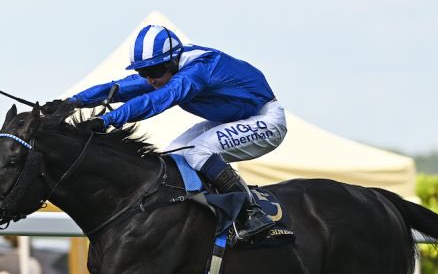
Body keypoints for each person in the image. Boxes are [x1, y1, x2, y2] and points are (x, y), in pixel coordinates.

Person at [42, 24, 288, 240]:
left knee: (199, 151)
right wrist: (72, 102)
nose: (150, 79)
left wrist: (107, 120)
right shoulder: (168, 66)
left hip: (267, 120)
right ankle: (207, 211)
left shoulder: (198, 69)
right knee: (173, 156)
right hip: (236, 119)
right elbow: (117, 88)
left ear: (172, 62)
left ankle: (252, 212)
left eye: (155, 71)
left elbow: (159, 99)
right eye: (144, 73)